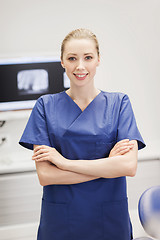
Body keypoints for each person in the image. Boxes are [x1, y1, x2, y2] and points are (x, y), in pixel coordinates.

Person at [19, 28, 146, 240]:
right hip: (61, 219)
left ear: (98, 60)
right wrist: (107, 165)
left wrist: (64, 162)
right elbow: (46, 176)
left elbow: (128, 167)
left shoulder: (119, 104)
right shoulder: (45, 106)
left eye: (88, 57)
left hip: (109, 218)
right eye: (72, 58)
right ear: (62, 62)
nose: (80, 66)